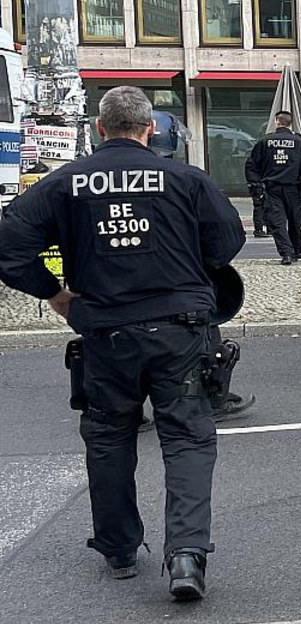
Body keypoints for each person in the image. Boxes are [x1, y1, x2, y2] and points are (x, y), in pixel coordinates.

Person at [0, 86, 245, 599]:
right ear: (150, 129)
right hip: (179, 328)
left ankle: (118, 548)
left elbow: (10, 246)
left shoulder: (65, 183)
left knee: (109, 435)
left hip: (106, 329)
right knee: (188, 437)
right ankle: (187, 554)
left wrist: (54, 293)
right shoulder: (185, 178)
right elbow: (227, 241)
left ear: (100, 128)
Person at [149, 111, 255, 424]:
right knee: (204, 335)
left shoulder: (87, 176)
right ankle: (211, 397)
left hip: (114, 292)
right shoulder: (189, 179)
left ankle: (123, 412)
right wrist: (207, 266)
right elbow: (229, 234)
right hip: (181, 287)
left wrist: (55, 291)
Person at [247, 112, 301, 265]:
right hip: (294, 188)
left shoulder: (265, 141)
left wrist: (256, 184)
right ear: (290, 124)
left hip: (272, 188)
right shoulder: (299, 142)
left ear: (277, 122)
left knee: (277, 222)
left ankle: (286, 253)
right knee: (294, 220)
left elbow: (252, 165)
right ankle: (297, 250)